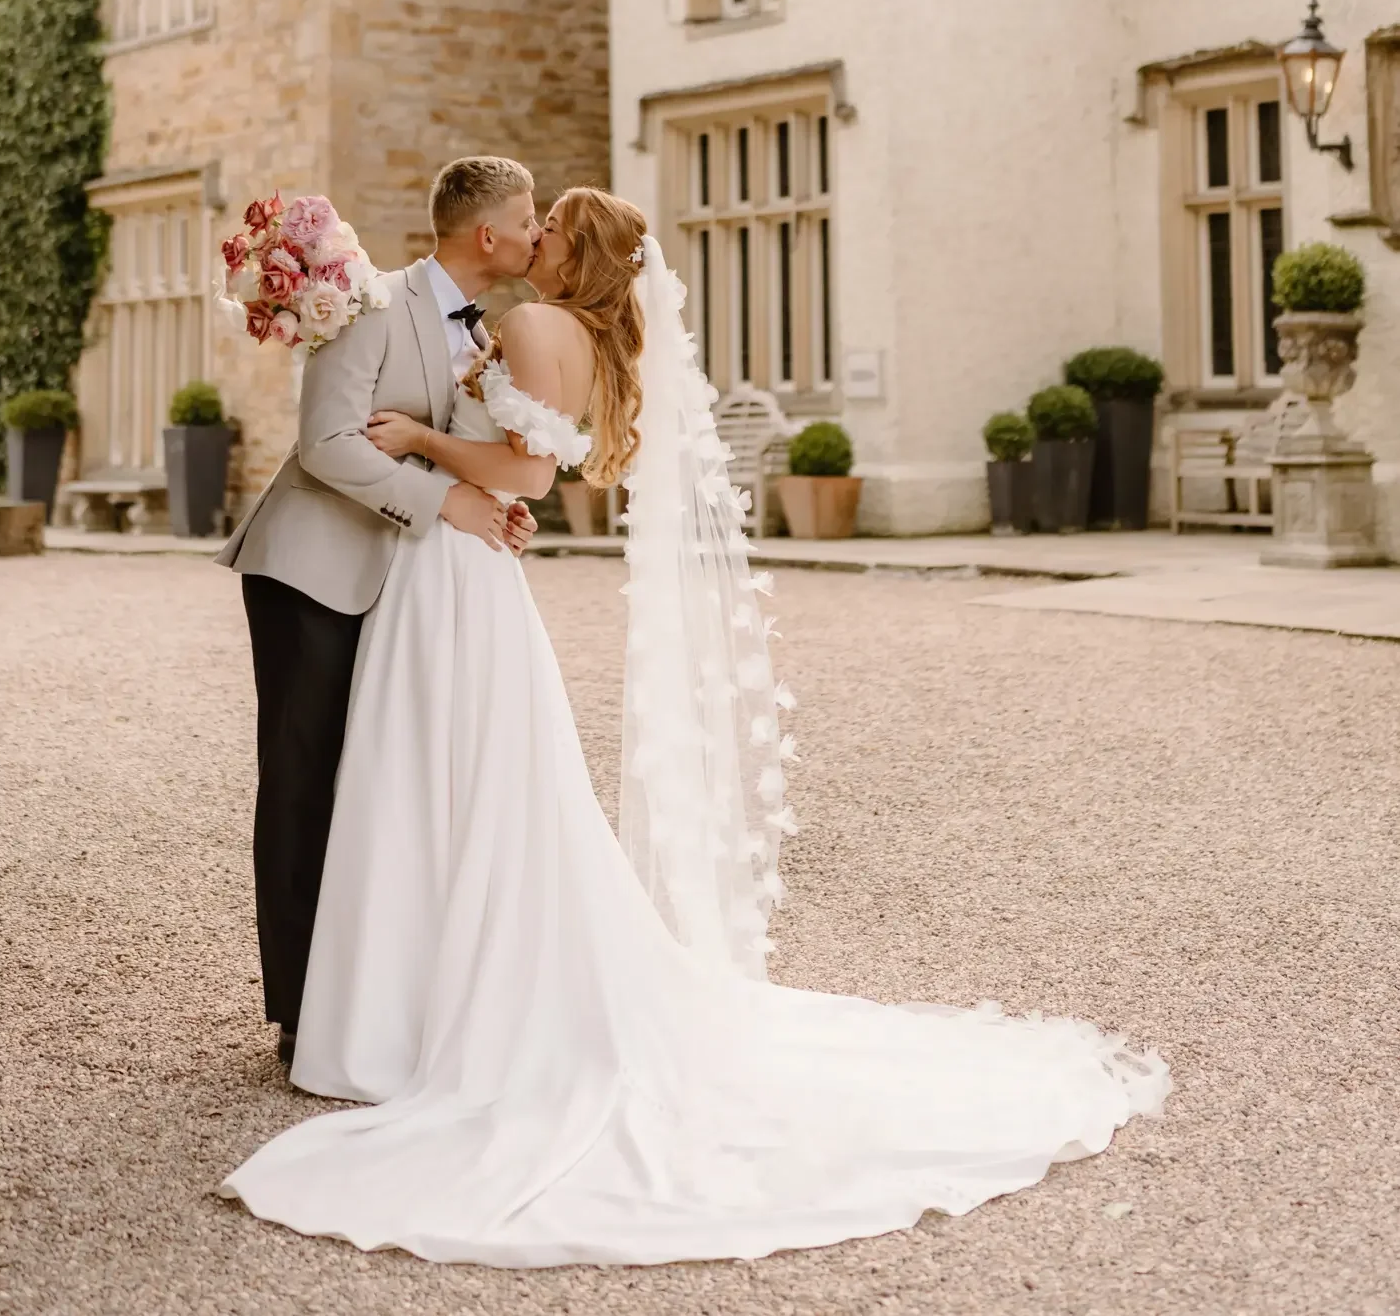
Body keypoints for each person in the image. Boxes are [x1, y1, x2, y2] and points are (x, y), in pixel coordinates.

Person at [222, 187, 1169, 1266]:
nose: (534, 234)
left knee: (440, 780)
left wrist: (432, 447)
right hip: (445, 568)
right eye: (527, 217)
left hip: (455, 567)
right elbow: (511, 458)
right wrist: (450, 466)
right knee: (445, 784)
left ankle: (400, 1009)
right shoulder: (525, 325)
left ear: (565, 251)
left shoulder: (531, 325)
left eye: (549, 223)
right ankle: (407, 994)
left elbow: (526, 467)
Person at [215, 157, 540, 1064]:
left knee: (381, 786)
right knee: (304, 781)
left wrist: (489, 503)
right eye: (528, 217)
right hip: (311, 571)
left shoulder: (502, 328)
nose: (538, 231)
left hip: (412, 586)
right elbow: (323, 446)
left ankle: (372, 991)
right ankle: (298, 1012)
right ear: (487, 235)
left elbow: (458, 450)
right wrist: (446, 505)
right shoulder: (368, 303)